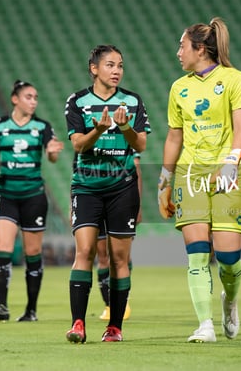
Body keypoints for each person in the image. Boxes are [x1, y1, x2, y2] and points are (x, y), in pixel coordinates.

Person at [158, 17, 241, 343]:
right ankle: (205, 325)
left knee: (228, 259)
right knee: (197, 252)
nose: (178, 52)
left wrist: (230, 164)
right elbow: (174, 136)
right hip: (190, 174)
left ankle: (230, 302)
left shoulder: (235, 80)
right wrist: (165, 180)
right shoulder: (179, 87)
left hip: (226, 173)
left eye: (182, 46)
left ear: (200, 48)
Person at [65, 44, 150, 343]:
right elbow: (78, 145)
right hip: (87, 187)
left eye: (120, 66)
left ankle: (115, 328)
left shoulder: (132, 101)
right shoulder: (77, 101)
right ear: (94, 68)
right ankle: (78, 324)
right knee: (85, 251)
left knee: (118, 258)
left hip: (122, 188)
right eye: (110, 65)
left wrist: (125, 128)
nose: (116, 71)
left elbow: (140, 145)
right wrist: (99, 130)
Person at [0, 80, 63, 322]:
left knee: (32, 252)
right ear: (15, 99)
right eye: (28, 96)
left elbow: (52, 157)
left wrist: (54, 152)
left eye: (36, 97)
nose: (33, 101)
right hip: (7, 194)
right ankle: (1, 306)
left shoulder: (43, 127)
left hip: (33, 195)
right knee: (2, 248)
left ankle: (31, 310)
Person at [98, 154, 142, 321]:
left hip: (121, 197)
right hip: (94, 196)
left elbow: (136, 168)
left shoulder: (124, 134)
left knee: (121, 256)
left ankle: (124, 301)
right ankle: (108, 305)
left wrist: (137, 205)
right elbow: (77, 169)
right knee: (102, 255)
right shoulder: (88, 133)